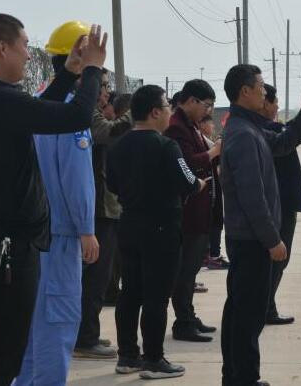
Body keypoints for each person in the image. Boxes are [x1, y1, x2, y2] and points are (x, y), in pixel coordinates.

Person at [0, 14, 106, 386]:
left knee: (2, 357)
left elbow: (42, 113)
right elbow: (75, 114)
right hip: (1, 250)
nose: (27, 55)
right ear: (2, 48)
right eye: (22, 46)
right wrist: (93, 70)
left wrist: (69, 72)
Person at [220, 64, 301, 386]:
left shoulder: (250, 128)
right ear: (245, 91)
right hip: (252, 240)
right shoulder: (241, 134)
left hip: (251, 238)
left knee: (242, 312)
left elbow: (284, 141)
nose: (266, 92)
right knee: (247, 315)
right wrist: (272, 239)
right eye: (261, 86)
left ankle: (237, 377)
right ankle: (243, 379)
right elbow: (253, 197)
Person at [15, 21, 107, 385]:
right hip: (61, 235)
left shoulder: (38, 102)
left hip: (33, 232)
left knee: (31, 328)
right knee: (57, 324)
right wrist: (86, 229)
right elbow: (75, 176)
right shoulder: (70, 113)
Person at [107, 85, 207, 379]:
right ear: (154, 112)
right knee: (156, 296)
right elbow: (188, 181)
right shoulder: (166, 146)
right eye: (166, 107)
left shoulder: (118, 146)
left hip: (129, 225)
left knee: (130, 292)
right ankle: (153, 358)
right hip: (161, 228)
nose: (169, 112)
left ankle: (127, 355)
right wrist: (201, 185)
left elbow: (112, 184)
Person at [74, 70, 133, 358]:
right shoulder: (85, 114)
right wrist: (138, 112)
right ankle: (85, 339)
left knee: (98, 275)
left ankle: (88, 333)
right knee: (94, 276)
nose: (107, 93)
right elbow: (107, 133)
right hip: (95, 210)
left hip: (101, 207)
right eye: (104, 86)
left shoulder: (83, 112)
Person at [259, 84, 301, 326]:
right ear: (263, 102)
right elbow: (293, 136)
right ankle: (265, 308)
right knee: (277, 258)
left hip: (281, 202)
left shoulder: (268, 129)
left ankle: (267, 306)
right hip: (279, 203)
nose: (277, 105)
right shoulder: (266, 130)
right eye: (274, 100)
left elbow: (298, 134)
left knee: (279, 260)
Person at [165, 80, 222, 343]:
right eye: (206, 105)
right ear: (191, 101)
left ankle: (189, 315)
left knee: (191, 270)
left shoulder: (190, 126)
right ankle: (183, 322)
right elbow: (186, 164)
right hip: (188, 212)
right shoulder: (176, 128)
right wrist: (213, 152)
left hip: (201, 209)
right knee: (185, 271)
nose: (208, 112)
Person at [104, 93, 133, 306]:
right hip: (110, 205)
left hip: (118, 205)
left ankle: (113, 290)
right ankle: (111, 292)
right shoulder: (114, 138)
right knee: (111, 256)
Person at [199, 115, 229, 270]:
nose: (213, 126)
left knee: (215, 220)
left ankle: (209, 254)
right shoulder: (200, 140)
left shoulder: (206, 140)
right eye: (210, 123)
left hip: (213, 188)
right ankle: (212, 255)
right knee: (214, 221)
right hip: (208, 189)